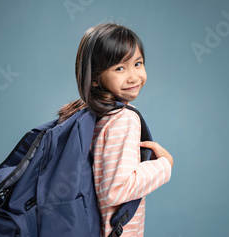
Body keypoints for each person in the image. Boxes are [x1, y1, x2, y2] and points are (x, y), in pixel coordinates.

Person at [58, 23, 174, 237]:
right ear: (95, 77)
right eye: (120, 68)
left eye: (138, 64)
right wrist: (164, 165)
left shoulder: (88, 113)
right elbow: (116, 189)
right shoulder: (123, 118)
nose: (133, 76)